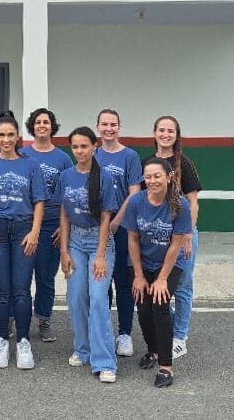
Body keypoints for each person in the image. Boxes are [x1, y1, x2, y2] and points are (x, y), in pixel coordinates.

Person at [0, 111, 46, 370]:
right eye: (1, 135)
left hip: (24, 229)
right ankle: (2, 339)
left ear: (18, 137)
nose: (6, 139)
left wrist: (35, 231)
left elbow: (39, 201)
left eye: (10, 135)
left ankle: (24, 341)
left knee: (22, 290)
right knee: (1, 291)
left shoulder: (30, 165)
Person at [123, 157, 193, 388]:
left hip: (171, 263)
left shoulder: (180, 205)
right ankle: (153, 351)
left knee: (160, 304)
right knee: (143, 306)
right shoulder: (136, 202)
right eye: (148, 176)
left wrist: (162, 279)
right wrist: (139, 276)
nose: (152, 180)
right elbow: (132, 239)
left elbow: (175, 245)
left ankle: (166, 366)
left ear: (169, 176)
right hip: (144, 262)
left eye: (157, 176)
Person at [59, 126, 120, 384]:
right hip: (74, 241)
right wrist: (63, 250)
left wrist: (101, 255)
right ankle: (82, 349)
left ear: (94, 146)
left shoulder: (105, 177)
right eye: (75, 147)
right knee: (76, 296)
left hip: (99, 242)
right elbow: (64, 215)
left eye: (84, 146)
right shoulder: (66, 176)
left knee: (97, 299)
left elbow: (106, 218)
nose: (80, 151)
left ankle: (104, 360)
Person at [150, 115, 201, 359]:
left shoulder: (185, 165)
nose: (166, 134)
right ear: (155, 133)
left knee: (182, 286)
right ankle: (166, 331)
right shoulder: (148, 164)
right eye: (162, 130)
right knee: (160, 286)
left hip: (183, 235)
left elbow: (193, 202)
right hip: (156, 235)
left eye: (170, 130)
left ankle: (180, 337)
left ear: (176, 135)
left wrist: (188, 235)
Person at [21, 108, 73, 343]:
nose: (42, 125)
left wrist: (64, 225)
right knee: (20, 276)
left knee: (45, 276)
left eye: (47, 122)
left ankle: (44, 319)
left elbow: (70, 194)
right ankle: (15, 318)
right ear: (32, 126)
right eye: (38, 122)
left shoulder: (62, 159)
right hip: (24, 222)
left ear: (52, 127)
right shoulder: (21, 154)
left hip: (52, 223)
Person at [95, 108, 143, 358]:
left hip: (123, 228)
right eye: (104, 124)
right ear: (98, 127)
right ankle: (103, 333)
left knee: (123, 282)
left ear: (119, 127)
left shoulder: (130, 156)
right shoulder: (92, 154)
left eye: (113, 124)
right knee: (102, 284)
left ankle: (124, 334)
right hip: (97, 228)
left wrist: (116, 221)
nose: (109, 128)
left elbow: (135, 193)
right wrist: (102, 222)